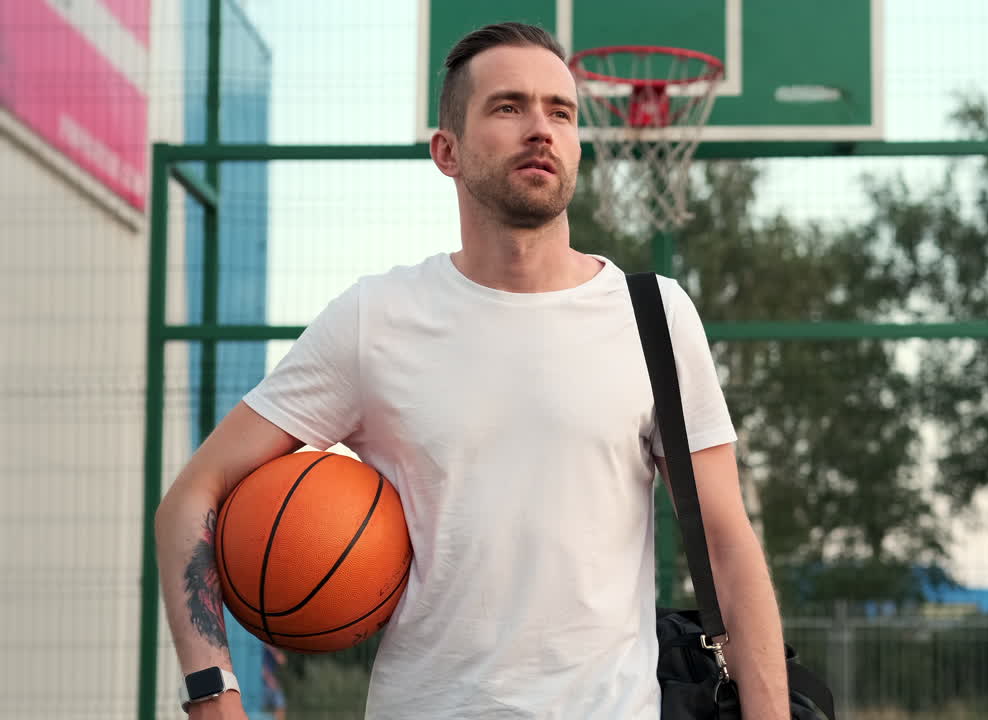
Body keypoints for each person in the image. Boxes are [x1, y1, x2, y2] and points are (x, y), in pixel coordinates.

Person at [155, 22, 788, 719]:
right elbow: (191, 498)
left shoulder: (653, 316)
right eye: (509, 106)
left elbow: (728, 544)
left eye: (561, 111)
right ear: (446, 150)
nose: (541, 128)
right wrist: (214, 698)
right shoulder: (377, 318)